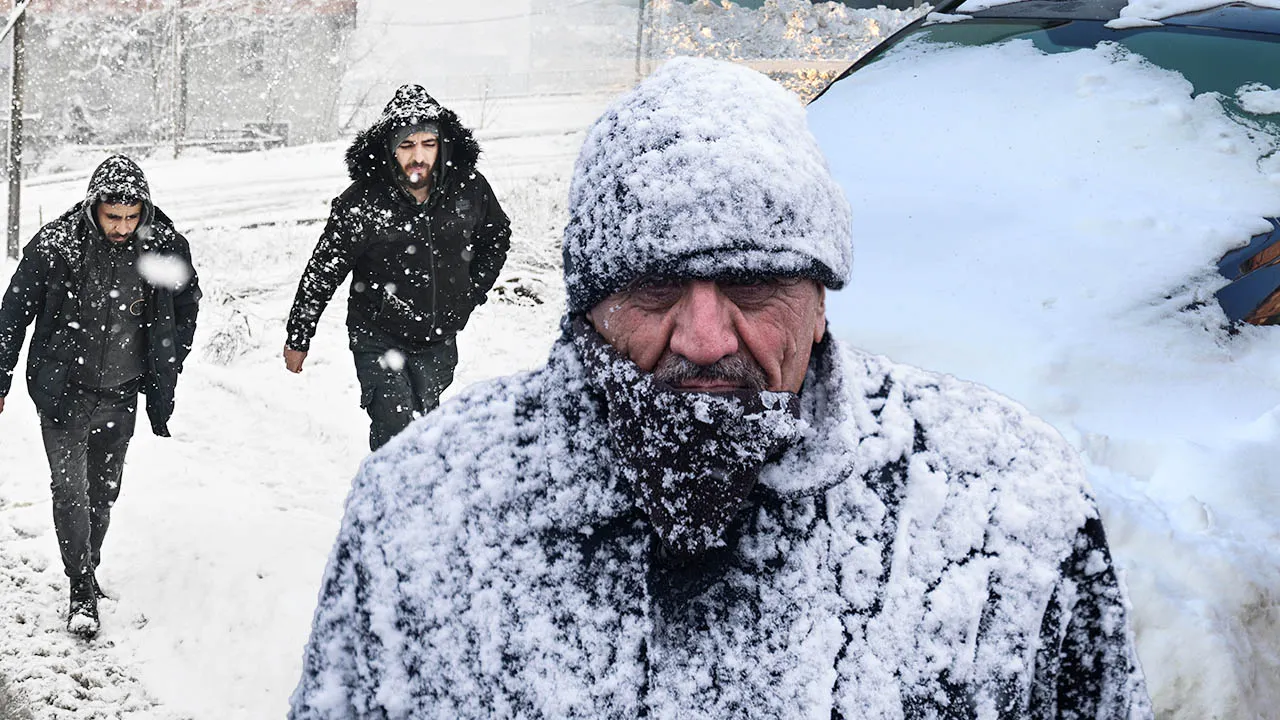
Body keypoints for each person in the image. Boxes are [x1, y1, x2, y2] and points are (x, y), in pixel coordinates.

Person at [289, 59, 1151, 719]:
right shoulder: (419, 514)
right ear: (589, 307)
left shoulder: (1005, 510)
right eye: (653, 287)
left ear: (818, 299)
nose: (705, 338)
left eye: (752, 282)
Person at [0, 155, 200, 639]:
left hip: (121, 394)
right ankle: (80, 587)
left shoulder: (164, 246)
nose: (122, 227)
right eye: (114, 217)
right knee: (70, 490)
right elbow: (13, 310)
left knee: (103, 493)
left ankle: (88, 566)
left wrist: (167, 362)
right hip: (63, 391)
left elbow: (186, 307)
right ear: (95, 207)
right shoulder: (58, 245)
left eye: (132, 218)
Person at [284, 84, 512, 450]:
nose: (418, 156)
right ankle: (389, 503)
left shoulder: (469, 188)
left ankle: (418, 503)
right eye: (406, 145)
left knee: (424, 434)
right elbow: (323, 271)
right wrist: (299, 336)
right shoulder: (362, 202)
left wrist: (469, 293)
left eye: (428, 144)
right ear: (390, 149)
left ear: (443, 144)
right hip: (378, 334)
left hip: (439, 338)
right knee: (396, 434)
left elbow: (496, 238)